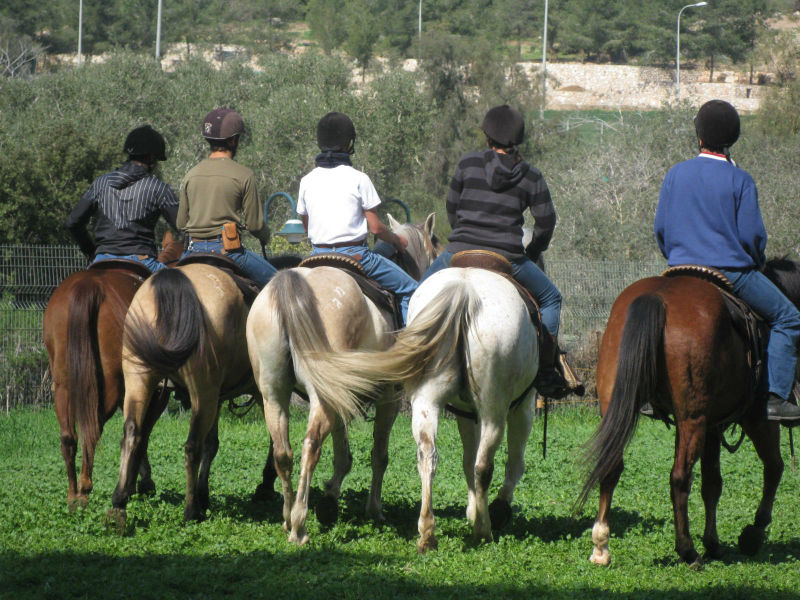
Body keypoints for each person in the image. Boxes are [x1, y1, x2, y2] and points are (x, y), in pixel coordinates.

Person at [655, 99, 800, 421]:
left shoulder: (676, 174)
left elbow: (661, 229)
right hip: (731, 272)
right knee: (789, 319)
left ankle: (650, 389)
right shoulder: (740, 180)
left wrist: (676, 256)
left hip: (679, 270)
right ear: (732, 139)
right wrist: (756, 261)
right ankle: (777, 398)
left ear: (700, 137)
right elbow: (753, 237)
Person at [422, 104, 572, 398]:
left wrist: (464, 235)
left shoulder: (467, 164)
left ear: (488, 136)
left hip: (458, 251)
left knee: (414, 294)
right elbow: (546, 221)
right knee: (552, 299)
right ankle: (545, 370)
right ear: (517, 139)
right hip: (507, 257)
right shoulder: (531, 175)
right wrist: (532, 251)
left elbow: (452, 208)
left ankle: (407, 357)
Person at [296, 111, 418, 324]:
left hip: (316, 255)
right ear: (348, 144)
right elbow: (377, 229)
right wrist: (398, 241)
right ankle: (410, 347)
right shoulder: (359, 178)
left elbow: (307, 227)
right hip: (355, 256)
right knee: (411, 289)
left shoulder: (306, 181)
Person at [177, 107, 276, 286]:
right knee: (281, 283)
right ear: (234, 139)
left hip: (192, 250)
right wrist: (266, 236)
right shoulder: (244, 175)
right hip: (228, 251)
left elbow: (181, 224)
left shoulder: (190, 175)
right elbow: (255, 225)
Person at [65, 125, 179, 272]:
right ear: (151, 158)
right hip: (143, 262)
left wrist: (91, 252)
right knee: (180, 288)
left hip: (102, 259)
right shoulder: (159, 188)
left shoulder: (100, 183)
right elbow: (183, 226)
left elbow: (72, 222)